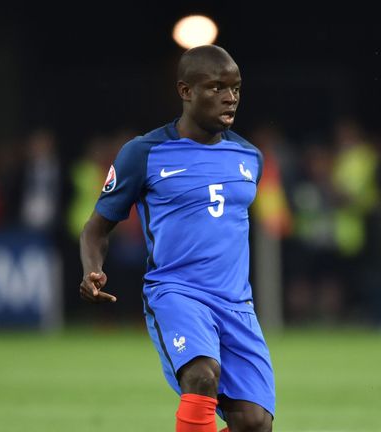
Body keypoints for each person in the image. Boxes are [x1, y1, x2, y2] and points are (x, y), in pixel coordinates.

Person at [79, 45, 274, 432]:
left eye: (235, 88)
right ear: (185, 91)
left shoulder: (250, 157)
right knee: (202, 374)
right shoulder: (144, 153)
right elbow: (96, 228)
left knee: (254, 423)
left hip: (237, 303)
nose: (230, 96)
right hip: (177, 293)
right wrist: (92, 269)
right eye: (216, 87)